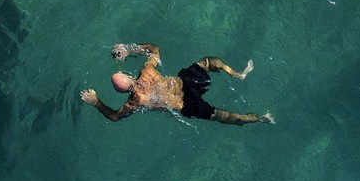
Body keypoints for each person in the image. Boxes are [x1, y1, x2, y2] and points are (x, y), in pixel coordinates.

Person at [80, 43, 274, 126]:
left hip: (185, 105)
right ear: (128, 76)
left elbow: (114, 116)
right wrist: (129, 50)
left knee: (220, 115)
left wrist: (96, 101)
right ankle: (237, 74)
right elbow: (154, 49)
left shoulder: (136, 102)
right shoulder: (146, 72)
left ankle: (260, 118)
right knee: (207, 62)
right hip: (186, 83)